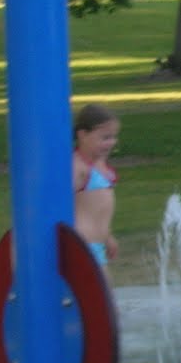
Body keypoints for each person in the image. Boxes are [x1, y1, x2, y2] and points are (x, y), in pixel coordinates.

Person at [72, 103, 120, 268]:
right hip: (83, 245)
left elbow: (97, 212)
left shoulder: (99, 163)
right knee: (101, 293)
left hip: (97, 245)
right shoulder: (77, 166)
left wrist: (107, 236)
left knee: (103, 293)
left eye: (114, 137)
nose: (111, 142)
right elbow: (56, 202)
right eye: (105, 138)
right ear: (83, 135)